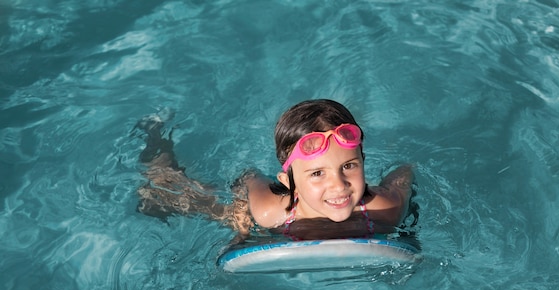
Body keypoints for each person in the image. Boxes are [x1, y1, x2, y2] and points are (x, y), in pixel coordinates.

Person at [133, 99, 415, 241]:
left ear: (363, 162)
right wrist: (242, 237)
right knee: (168, 191)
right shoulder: (271, 212)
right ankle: (156, 141)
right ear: (288, 181)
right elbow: (250, 179)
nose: (339, 185)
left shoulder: (385, 208)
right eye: (318, 173)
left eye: (349, 166)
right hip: (260, 195)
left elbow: (404, 173)